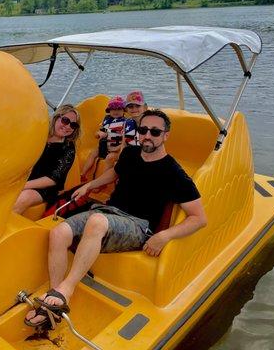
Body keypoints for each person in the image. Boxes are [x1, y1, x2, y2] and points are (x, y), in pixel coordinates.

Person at [24, 109, 207, 327]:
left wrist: (165, 236)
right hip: (108, 213)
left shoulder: (174, 172)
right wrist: (90, 186)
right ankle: (55, 297)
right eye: (143, 130)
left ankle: (67, 289)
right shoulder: (130, 154)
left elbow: (199, 218)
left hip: (138, 225)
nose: (148, 135)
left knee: (96, 221)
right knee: (58, 232)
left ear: (165, 135)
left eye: (155, 132)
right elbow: (115, 173)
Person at [13, 104, 81, 215]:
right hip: (23, 178)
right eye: (65, 120)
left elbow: (52, 179)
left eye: (73, 125)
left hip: (44, 189)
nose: (68, 126)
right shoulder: (40, 133)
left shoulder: (68, 149)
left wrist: (22, 186)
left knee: (23, 198)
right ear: (56, 118)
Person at [80, 96, 126, 182]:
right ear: (109, 110)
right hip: (104, 146)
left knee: (110, 158)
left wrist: (117, 147)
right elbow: (100, 133)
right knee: (92, 154)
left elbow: (125, 140)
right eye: (113, 109)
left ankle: (101, 181)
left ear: (124, 111)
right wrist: (98, 134)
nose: (116, 111)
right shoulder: (107, 120)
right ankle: (83, 173)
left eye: (119, 109)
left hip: (116, 148)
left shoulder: (125, 123)